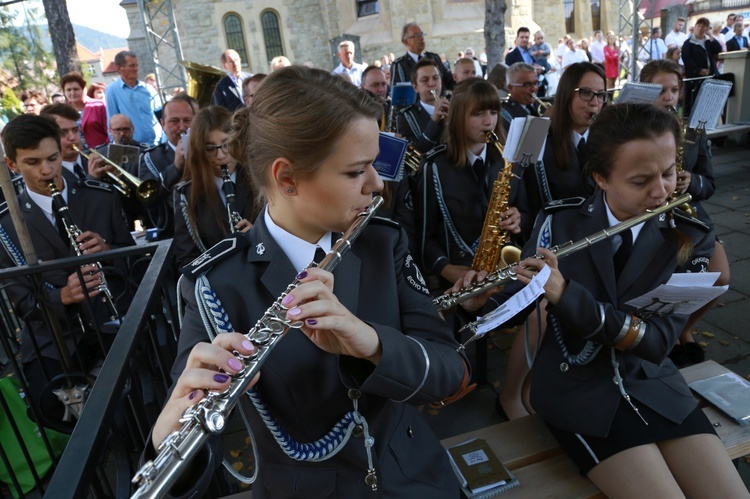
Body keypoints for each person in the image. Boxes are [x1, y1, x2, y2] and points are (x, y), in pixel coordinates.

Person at [147, 66, 470, 497]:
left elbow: (449, 372)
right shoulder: (215, 285)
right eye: (356, 172)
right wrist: (167, 439)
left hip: (411, 477)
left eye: (374, 165)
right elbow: (211, 460)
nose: (377, 185)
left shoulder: (382, 243)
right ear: (287, 179)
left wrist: (372, 343)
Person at [455, 103, 750, 499]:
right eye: (641, 180)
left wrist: (566, 295)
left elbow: (656, 341)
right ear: (600, 178)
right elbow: (519, 301)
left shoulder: (689, 234)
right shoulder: (559, 221)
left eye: (666, 174)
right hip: (577, 394)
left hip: (654, 386)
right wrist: (480, 305)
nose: (662, 191)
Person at [0, 114, 134, 427]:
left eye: (52, 158)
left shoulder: (101, 196)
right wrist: (63, 295)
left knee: (137, 398)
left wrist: (109, 251)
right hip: (55, 337)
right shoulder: (6, 224)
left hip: (111, 320)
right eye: (32, 162)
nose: (46, 170)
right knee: (50, 404)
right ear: (12, 165)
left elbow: (135, 264)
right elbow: (21, 302)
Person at [640, 59, 730, 366]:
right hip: (650, 220)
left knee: (722, 279)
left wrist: (693, 181)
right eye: (660, 90)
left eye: (674, 90)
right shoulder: (633, 133)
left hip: (690, 217)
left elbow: (711, 183)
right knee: (665, 286)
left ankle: (683, 328)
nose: (668, 97)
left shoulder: (693, 131)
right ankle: (665, 334)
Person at [417, 78, 527, 287]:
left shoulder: (509, 160)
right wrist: (446, 269)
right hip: (457, 279)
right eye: (478, 114)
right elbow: (423, 236)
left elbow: (528, 213)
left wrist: (518, 219)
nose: (489, 122)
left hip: (504, 272)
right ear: (458, 117)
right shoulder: (434, 166)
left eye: (493, 113)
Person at [173, 106, 258, 268]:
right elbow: (186, 258)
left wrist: (257, 236)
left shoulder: (258, 180)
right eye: (210, 149)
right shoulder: (186, 194)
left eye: (226, 144)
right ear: (199, 151)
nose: (220, 156)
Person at [138, 94, 196, 237]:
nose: (182, 127)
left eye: (187, 120)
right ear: (163, 124)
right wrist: (175, 168)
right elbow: (148, 200)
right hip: (173, 234)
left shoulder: (208, 150)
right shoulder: (150, 157)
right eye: (174, 121)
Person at [105, 51, 163, 146]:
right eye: (132, 66)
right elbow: (112, 120)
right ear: (119, 68)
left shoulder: (149, 88)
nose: (136, 69)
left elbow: (160, 116)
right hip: (133, 146)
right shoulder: (112, 90)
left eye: (136, 65)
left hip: (157, 143)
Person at [394, 58, 449, 153]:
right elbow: (415, 153)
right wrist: (434, 122)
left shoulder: (455, 107)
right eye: (425, 80)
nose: (432, 84)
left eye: (436, 78)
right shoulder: (405, 117)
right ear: (415, 87)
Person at [391, 23, 455, 93]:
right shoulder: (399, 65)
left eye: (422, 34)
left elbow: (450, 81)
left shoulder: (434, 58)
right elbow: (399, 95)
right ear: (406, 41)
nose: (421, 38)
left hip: (439, 102)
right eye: (417, 35)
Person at [682, 18, 723, 115]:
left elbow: (718, 49)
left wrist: (710, 35)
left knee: (708, 104)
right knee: (694, 104)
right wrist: (698, 69)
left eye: (703, 26)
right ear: (695, 27)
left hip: (710, 75)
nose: (700, 28)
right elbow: (687, 59)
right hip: (695, 78)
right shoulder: (688, 43)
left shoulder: (708, 41)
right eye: (698, 26)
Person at [60, 71, 109, 148]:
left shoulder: (99, 106)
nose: (72, 93)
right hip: (75, 154)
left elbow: (110, 132)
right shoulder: (62, 111)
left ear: (84, 89)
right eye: (68, 90)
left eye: (76, 89)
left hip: (99, 152)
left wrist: (104, 150)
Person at [501, 62, 540, 132]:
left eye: (535, 83)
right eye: (526, 84)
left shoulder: (541, 107)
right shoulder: (504, 114)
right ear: (510, 87)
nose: (533, 88)